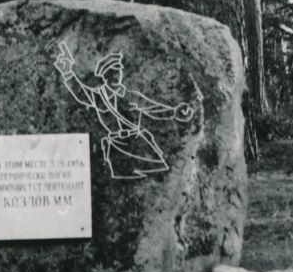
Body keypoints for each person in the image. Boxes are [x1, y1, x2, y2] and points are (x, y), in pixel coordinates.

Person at [54, 41, 194, 179]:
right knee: (123, 182)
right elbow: (79, 92)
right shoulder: (98, 97)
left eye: (118, 73)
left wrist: (174, 112)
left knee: (157, 176)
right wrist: (67, 72)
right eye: (113, 73)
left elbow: (150, 107)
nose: (117, 77)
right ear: (104, 77)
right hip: (117, 146)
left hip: (139, 143)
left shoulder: (129, 96)